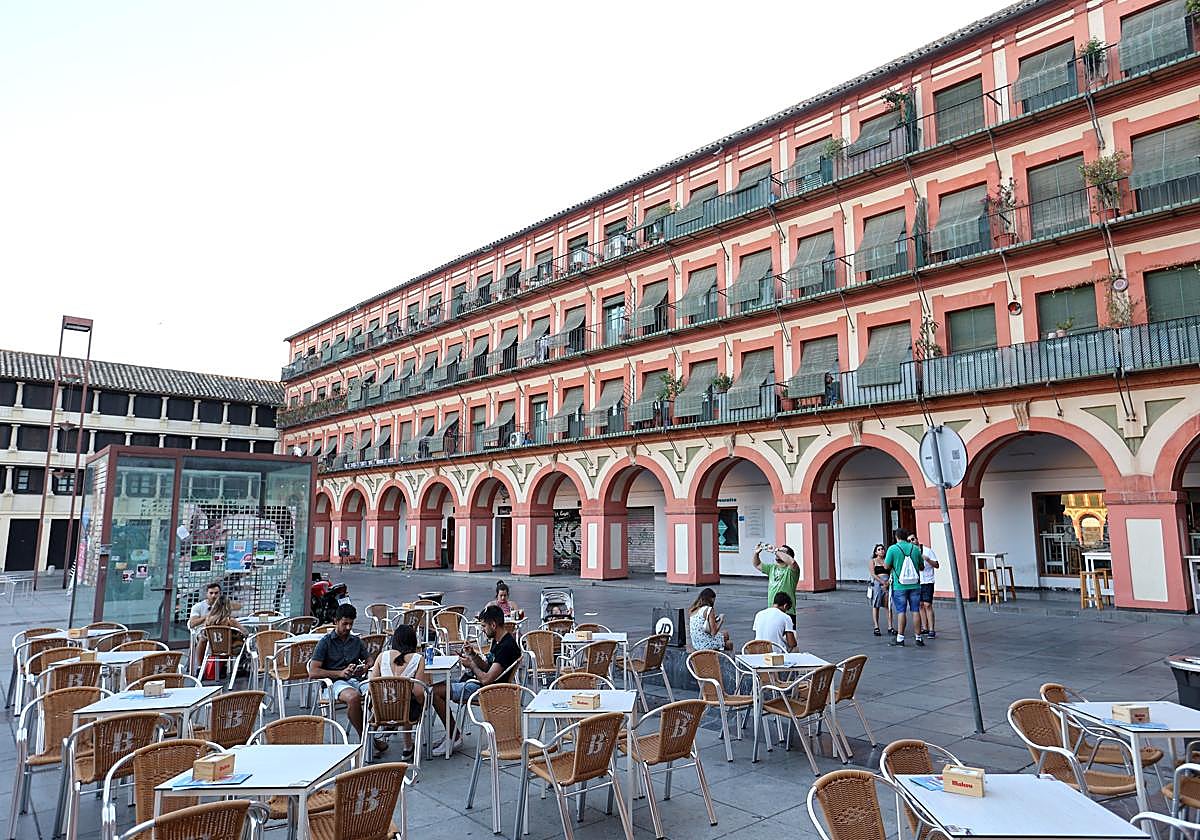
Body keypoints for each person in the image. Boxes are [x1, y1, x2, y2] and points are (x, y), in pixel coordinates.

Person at [431, 605, 519, 756]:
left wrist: (471, 665)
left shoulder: (506, 646)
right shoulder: (498, 640)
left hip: (487, 691)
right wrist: (473, 655)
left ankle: (454, 735)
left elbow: (486, 679)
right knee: (436, 688)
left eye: (484, 626)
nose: (483, 630)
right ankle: (452, 734)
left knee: (433, 692)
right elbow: (488, 667)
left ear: (493, 625)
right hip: (483, 685)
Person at [308, 604, 378, 747]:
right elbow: (313, 671)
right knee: (353, 697)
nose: (348, 628)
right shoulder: (325, 642)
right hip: (333, 684)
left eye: (350, 624)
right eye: (344, 624)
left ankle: (371, 735)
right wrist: (339, 673)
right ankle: (366, 739)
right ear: (336, 621)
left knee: (377, 693)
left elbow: (370, 659)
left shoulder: (356, 641)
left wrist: (365, 667)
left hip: (355, 680)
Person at [369, 624, 426, 761]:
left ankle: (369, 743)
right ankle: (407, 747)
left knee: (399, 700)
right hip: (405, 712)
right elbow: (418, 691)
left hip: (380, 711)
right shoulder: (418, 659)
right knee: (409, 700)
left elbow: (371, 685)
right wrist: (423, 704)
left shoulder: (382, 656)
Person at [884, 528, 924, 647]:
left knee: (901, 611)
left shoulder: (893, 549)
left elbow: (886, 566)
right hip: (915, 584)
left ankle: (900, 638)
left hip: (899, 585)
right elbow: (921, 567)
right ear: (906, 537)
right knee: (915, 610)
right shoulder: (915, 549)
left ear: (896, 537)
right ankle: (918, 638)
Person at [752, 543, 799, 626]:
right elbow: (757, 564)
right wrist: (756, 553)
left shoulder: (791, 570)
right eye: (779, 551)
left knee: (787, 637)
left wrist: (775, 550)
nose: (778, 553)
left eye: (782, 552)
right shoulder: (772, 568)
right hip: (772, 610)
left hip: (787, 611)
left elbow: (792, 563)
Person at [910, 535, 940, 640]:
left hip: (927, 581)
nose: (911, 542)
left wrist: (927, 560)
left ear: (917, 539)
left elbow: (937, 565)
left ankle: (932, 629)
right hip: (917, 581)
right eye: (909, 540)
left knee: (928, 604)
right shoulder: (911, 553)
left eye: (913, 539)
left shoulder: (927, 551)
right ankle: (925, 627)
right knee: (920, 605)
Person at [867, 544, 895, 637]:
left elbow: (891, 571)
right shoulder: (873, 561)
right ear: (876, 552)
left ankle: (890, 626)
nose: (881, 551)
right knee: (876, 605)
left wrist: (888, 582)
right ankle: (876, 626)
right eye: (879, 549)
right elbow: (873, 574)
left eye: (882, 549)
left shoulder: (887, 561)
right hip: (878, 583)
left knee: (888, 605)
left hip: (887, 583)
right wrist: (882, 582)